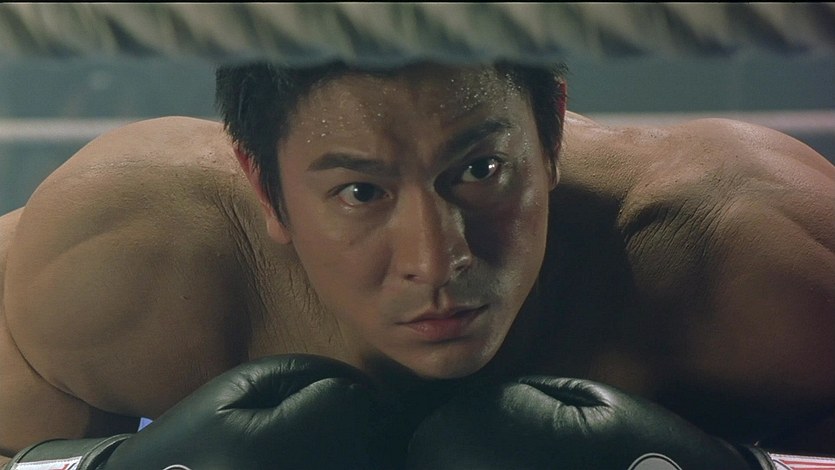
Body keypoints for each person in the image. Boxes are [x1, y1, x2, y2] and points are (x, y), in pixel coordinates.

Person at [0, 60, 833, 466]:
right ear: (265, 187)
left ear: (549, 135)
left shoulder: (743, 244)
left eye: (479, 171)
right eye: (361, 192)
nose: (438, 259)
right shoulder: (121, 257)